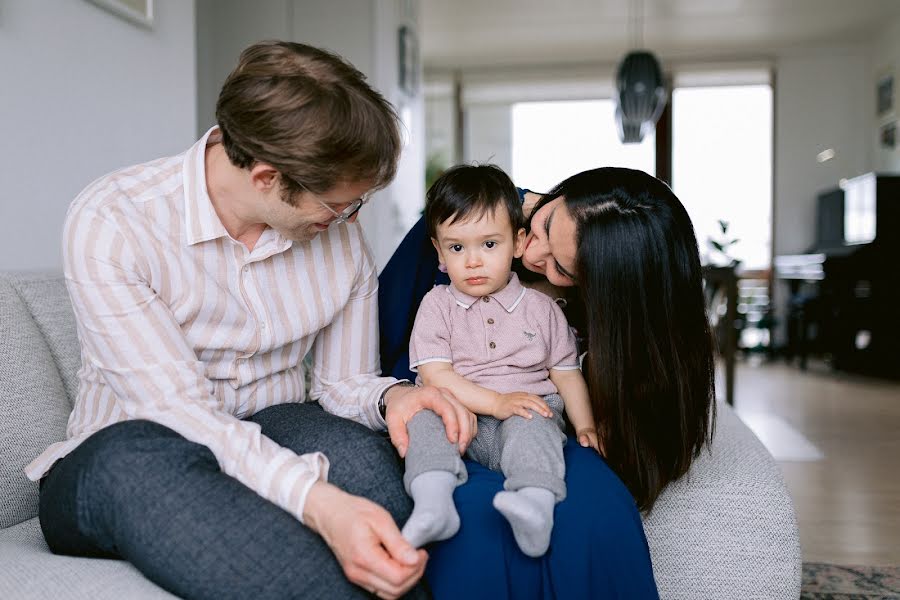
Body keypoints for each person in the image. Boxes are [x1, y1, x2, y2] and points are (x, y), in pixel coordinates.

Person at [28, 41, 476, 600]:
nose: (348, 219)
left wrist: (393, 399)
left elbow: (342, 384)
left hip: (274, 420)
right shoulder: (114, 221)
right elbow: (178, 411)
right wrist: (319, 504)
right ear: (266, 177)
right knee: (137, 459)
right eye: (339, 205)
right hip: (131, 451)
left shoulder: (339, 238)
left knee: (366, 465)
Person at [380, 166, 715, 598]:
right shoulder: (468, 212)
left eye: (562, 268)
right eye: (544, 226)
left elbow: (572, 377)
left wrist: (587, 423)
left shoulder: (573, 308)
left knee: (594, 512)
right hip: (448, 408)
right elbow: (386, 340)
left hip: (532, 418)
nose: (536, 257)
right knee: (476, 524)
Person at [398, 165, 600, 558]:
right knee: (422, 419)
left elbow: (567, 375)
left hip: (522, 409)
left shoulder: (542, 309)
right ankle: (433, 501)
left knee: (537, 424)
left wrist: (586, 423)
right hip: (456, 410)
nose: (473, 261)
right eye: (457, 248)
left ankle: (535, 506)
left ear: (518, 242)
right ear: (439, 252)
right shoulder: (436, 305)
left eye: (489, 245)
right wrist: (493, 403)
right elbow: (435, 374)